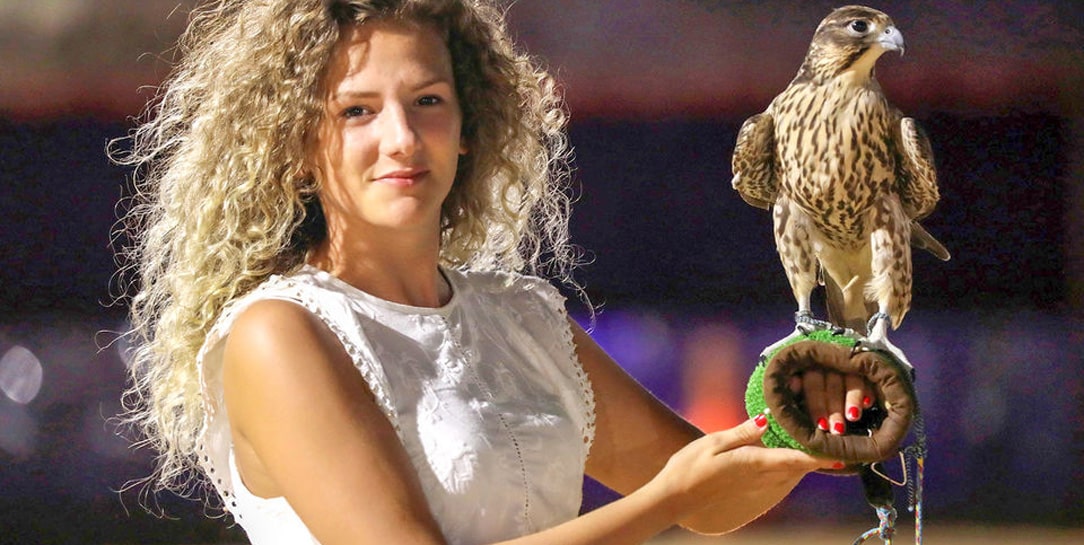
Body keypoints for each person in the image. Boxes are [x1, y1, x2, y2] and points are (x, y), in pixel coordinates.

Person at [113, 1, 875, 544]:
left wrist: (822, 423)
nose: (402, 137)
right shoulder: (279, 334)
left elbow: (709, 494)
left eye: (428, 100)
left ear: (469, 126)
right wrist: (661, 503)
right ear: (299, 147)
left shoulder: (523, 318)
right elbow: (679, 492)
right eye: (356, 111)